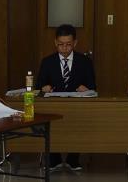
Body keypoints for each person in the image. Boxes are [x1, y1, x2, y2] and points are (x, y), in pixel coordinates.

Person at [39, 23, 96, 172]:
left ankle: (73, 158)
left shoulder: (84, 62)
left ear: (75, 43)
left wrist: (87, 89)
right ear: (55, 43)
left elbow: (93, 87)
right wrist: (43, 88)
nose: (64, 48)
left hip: (77, 107)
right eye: (61, 44)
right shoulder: (47, 62)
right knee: (50, 122)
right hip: (53, 107)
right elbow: (38, 87)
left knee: (78, 122)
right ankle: (53, 159)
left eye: (68, 44)